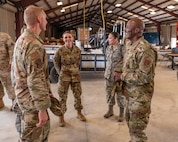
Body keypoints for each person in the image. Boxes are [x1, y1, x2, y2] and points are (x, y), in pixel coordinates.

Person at [12, 5, 52, 142]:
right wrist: (42, 108)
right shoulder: (34, 44)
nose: (46, 21)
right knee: (35, 137)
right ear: (39, 19)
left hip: (22, 98)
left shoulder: (21, 40)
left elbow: (15, 72)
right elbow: (35, 79)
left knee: (26, 134)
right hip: (32, 102)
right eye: (45, 19)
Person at [119, 18, 157, 142]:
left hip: (140, 98)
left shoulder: (146, 50)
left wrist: (122, 76)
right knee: (130, 124)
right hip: (130, 96)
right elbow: (129, 65)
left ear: (137, 30)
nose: (125, 30)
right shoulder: (130, 45)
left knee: (138, 131)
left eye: (127, 27)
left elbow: (144, 76)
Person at [53, 31, 86, 127]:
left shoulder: (77, 50)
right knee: (62, 97)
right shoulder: (60, 51)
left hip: (75, 76)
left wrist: (75, 70)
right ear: (63, 39)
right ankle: (61, 117)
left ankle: (79, 113)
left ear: (73, 38)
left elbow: (78, 62)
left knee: (78, 95)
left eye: (69, 37)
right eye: (66, 37)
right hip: (64, 77)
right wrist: (61, 73)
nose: (68, 39)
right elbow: (56, 63)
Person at [104, 32, 126, 122]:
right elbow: (108, 61)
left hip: (118, 76)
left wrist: (120, 72)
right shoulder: (108, 48)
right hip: (109, 75)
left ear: (116, 39)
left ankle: (121, 113)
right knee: (109, 93)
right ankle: (110, 110)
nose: (108, 40)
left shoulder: (122, 48)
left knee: (120, 95)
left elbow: (127, 61)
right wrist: (106, 71)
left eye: (110, 38)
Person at [0, 32, 16, 109]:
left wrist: (11, 62)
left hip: (5, 67)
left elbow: (12, 49)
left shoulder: (5, 36)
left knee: (10, 86)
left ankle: (15, 104)